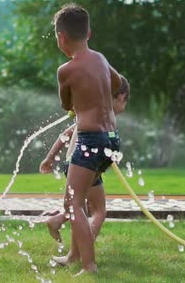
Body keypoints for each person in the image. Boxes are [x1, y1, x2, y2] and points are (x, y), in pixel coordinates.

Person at [51, 3, 123, 275]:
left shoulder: (66, 70)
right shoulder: (101, 59)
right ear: (89, 33)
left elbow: (65, 103)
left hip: (90, 141)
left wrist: (81, 100)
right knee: (80, 201)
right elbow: (118, 82)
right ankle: (72, 256)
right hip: (111, 139)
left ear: (61, 37)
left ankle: (89, 266)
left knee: (72, 204)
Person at [39, 77, 129, 248]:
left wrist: (50, 158)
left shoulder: (94, 112)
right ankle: (79, 246)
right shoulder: (99, 116)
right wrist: (49, 158)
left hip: (78, 163)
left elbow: (66, 134)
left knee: (82, 206)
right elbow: (68, 133)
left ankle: (59, 221)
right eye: (124, 104)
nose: (123, 110)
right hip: (81, 163)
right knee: (98, 211)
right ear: (121, 97)